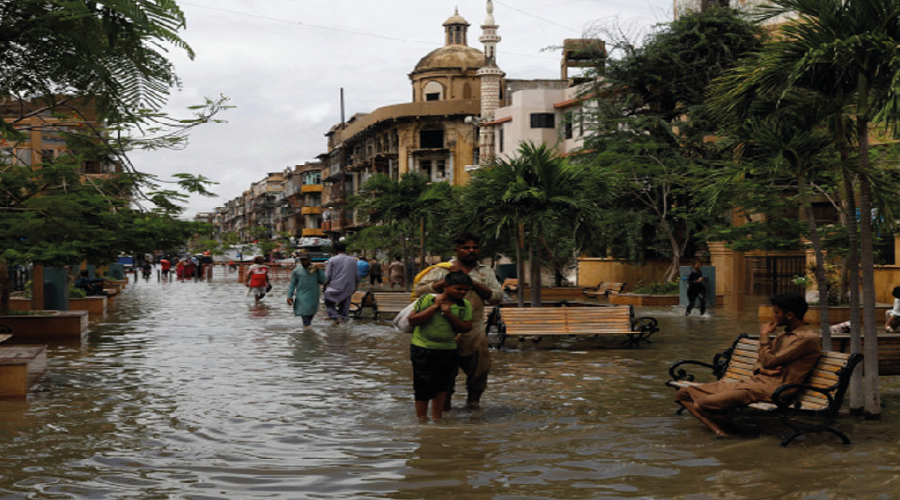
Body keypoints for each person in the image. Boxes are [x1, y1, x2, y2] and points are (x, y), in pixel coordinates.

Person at [674, 293, 821, 437]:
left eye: (776, 312)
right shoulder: (783, 336)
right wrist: (763, 370)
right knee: (684, 393)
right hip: (754, 383)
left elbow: (769, 361)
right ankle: (720, 431)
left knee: (703, 404)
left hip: (775, 390)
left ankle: (739, 433)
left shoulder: (807, 339)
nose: (774, 316)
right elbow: (761, 361)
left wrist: (764, 335)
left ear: (789, 315)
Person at [414, 232, 503, 410]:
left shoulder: (485, 271)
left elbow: (497, 297)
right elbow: (420, 291)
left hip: (474, 332)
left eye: (475, 248)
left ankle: (473, 410)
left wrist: (472, 283)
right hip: (444, 334)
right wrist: (446, 281)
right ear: (456, 250)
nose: (471, 251)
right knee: (443, 379)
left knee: (479, 374)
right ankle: (444, 416)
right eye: (466, 248)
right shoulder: (442, 269)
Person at [408, 271, 474, 421]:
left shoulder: (465, 305)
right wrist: (434, 308)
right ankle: (422, 419)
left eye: (466, 290)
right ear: (446, 286)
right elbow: (412, 320)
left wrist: (450, 315)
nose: (463, 292)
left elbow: (466, 328)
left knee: (443, 385)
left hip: (448, 349)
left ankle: (437, 418)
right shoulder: (427, 299)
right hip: (422, 348)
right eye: (459, 289)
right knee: (422, 383)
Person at [323, 241, 360, 323]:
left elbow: (327, 276)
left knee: (329, 303)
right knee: (344, 308)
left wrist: (324, 285)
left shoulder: (332, 260)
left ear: (335, 250)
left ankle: (335, 318)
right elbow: (357, 275)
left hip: (334, 287)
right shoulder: (353, 260)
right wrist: (355, 286)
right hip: (348, 287)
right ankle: (342, 320)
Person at [287, 252, 326, 327]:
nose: (304, 262)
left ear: (309, 260)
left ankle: (307, 329)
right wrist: (289, 296)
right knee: (305, 313)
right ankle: (307, 329)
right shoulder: (297, 271)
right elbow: (292, 284)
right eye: (302, 260)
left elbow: (323, 281)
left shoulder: (315, 269)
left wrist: (320, 270)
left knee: (311, 312)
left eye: (306, 260)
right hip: (302, 295)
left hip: (314, 295)